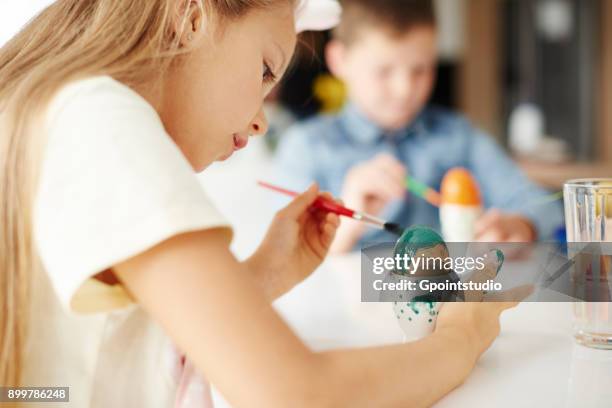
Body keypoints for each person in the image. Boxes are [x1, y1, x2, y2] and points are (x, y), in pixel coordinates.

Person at [0, 0, 520, 406]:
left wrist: (262, 275)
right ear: (192, 15)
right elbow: (298, 394)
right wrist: (464, 334)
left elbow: (91, 363)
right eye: (267, 71)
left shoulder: (52, 109)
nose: (260, 121)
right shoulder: (103, 119)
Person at [274, 0, 564, 253]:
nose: (404, 89)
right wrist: (347, 223)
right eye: (384, 71)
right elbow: (281, 254)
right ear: (340, 60)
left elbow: (542, 205)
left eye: (420, 69)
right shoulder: (307, 147)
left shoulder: (457, 136)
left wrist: (521, 225)